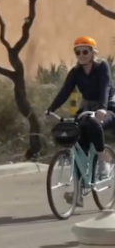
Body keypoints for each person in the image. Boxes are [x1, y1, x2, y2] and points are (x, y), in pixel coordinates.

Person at [46, 36, 114, 202]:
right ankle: (79, 192)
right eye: (78, 52)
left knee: (93, 123)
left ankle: (103, 159)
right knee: (77, 140)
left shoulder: (102, 66)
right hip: (88, 108)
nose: (81, 54)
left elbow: (105, 87)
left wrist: (103, 109)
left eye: (85, 51)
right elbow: (65, 91)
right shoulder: (76, 72)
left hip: (109, 107)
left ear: (93, 52)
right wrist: (51, 109)